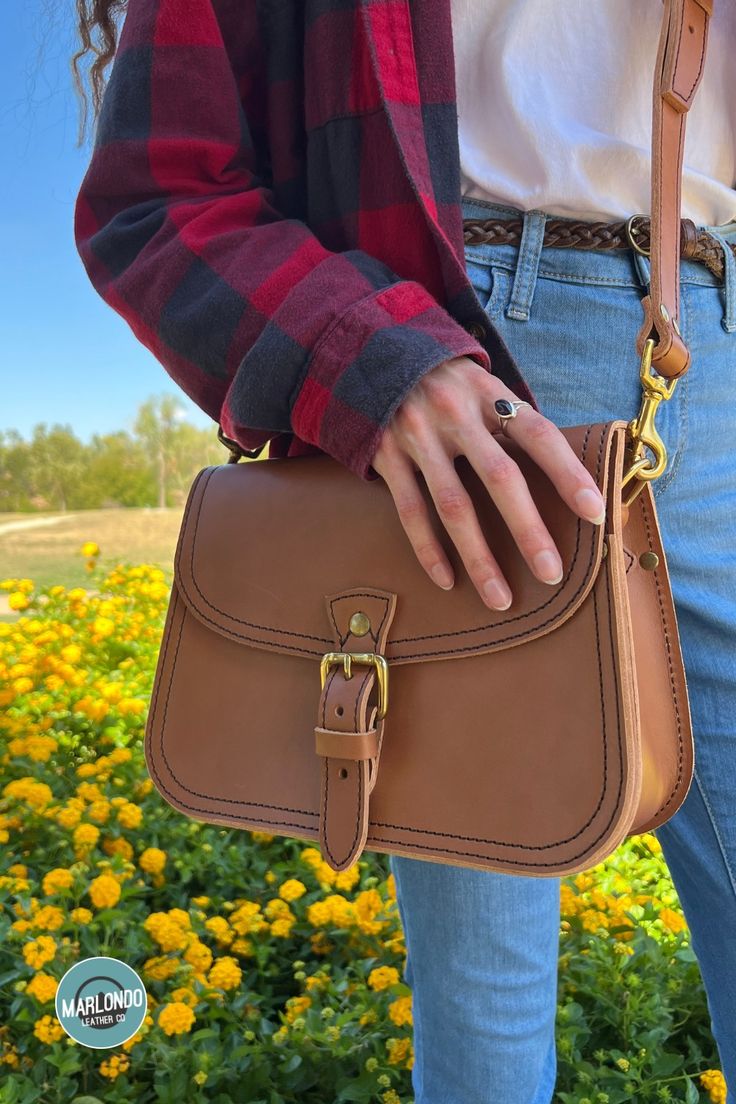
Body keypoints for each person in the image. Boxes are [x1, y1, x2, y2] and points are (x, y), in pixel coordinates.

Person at [71, 0, 736, 1100]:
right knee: (484, 1010)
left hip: (709, 324)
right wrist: (373, 362)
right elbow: (159, 189)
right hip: (463, 359)